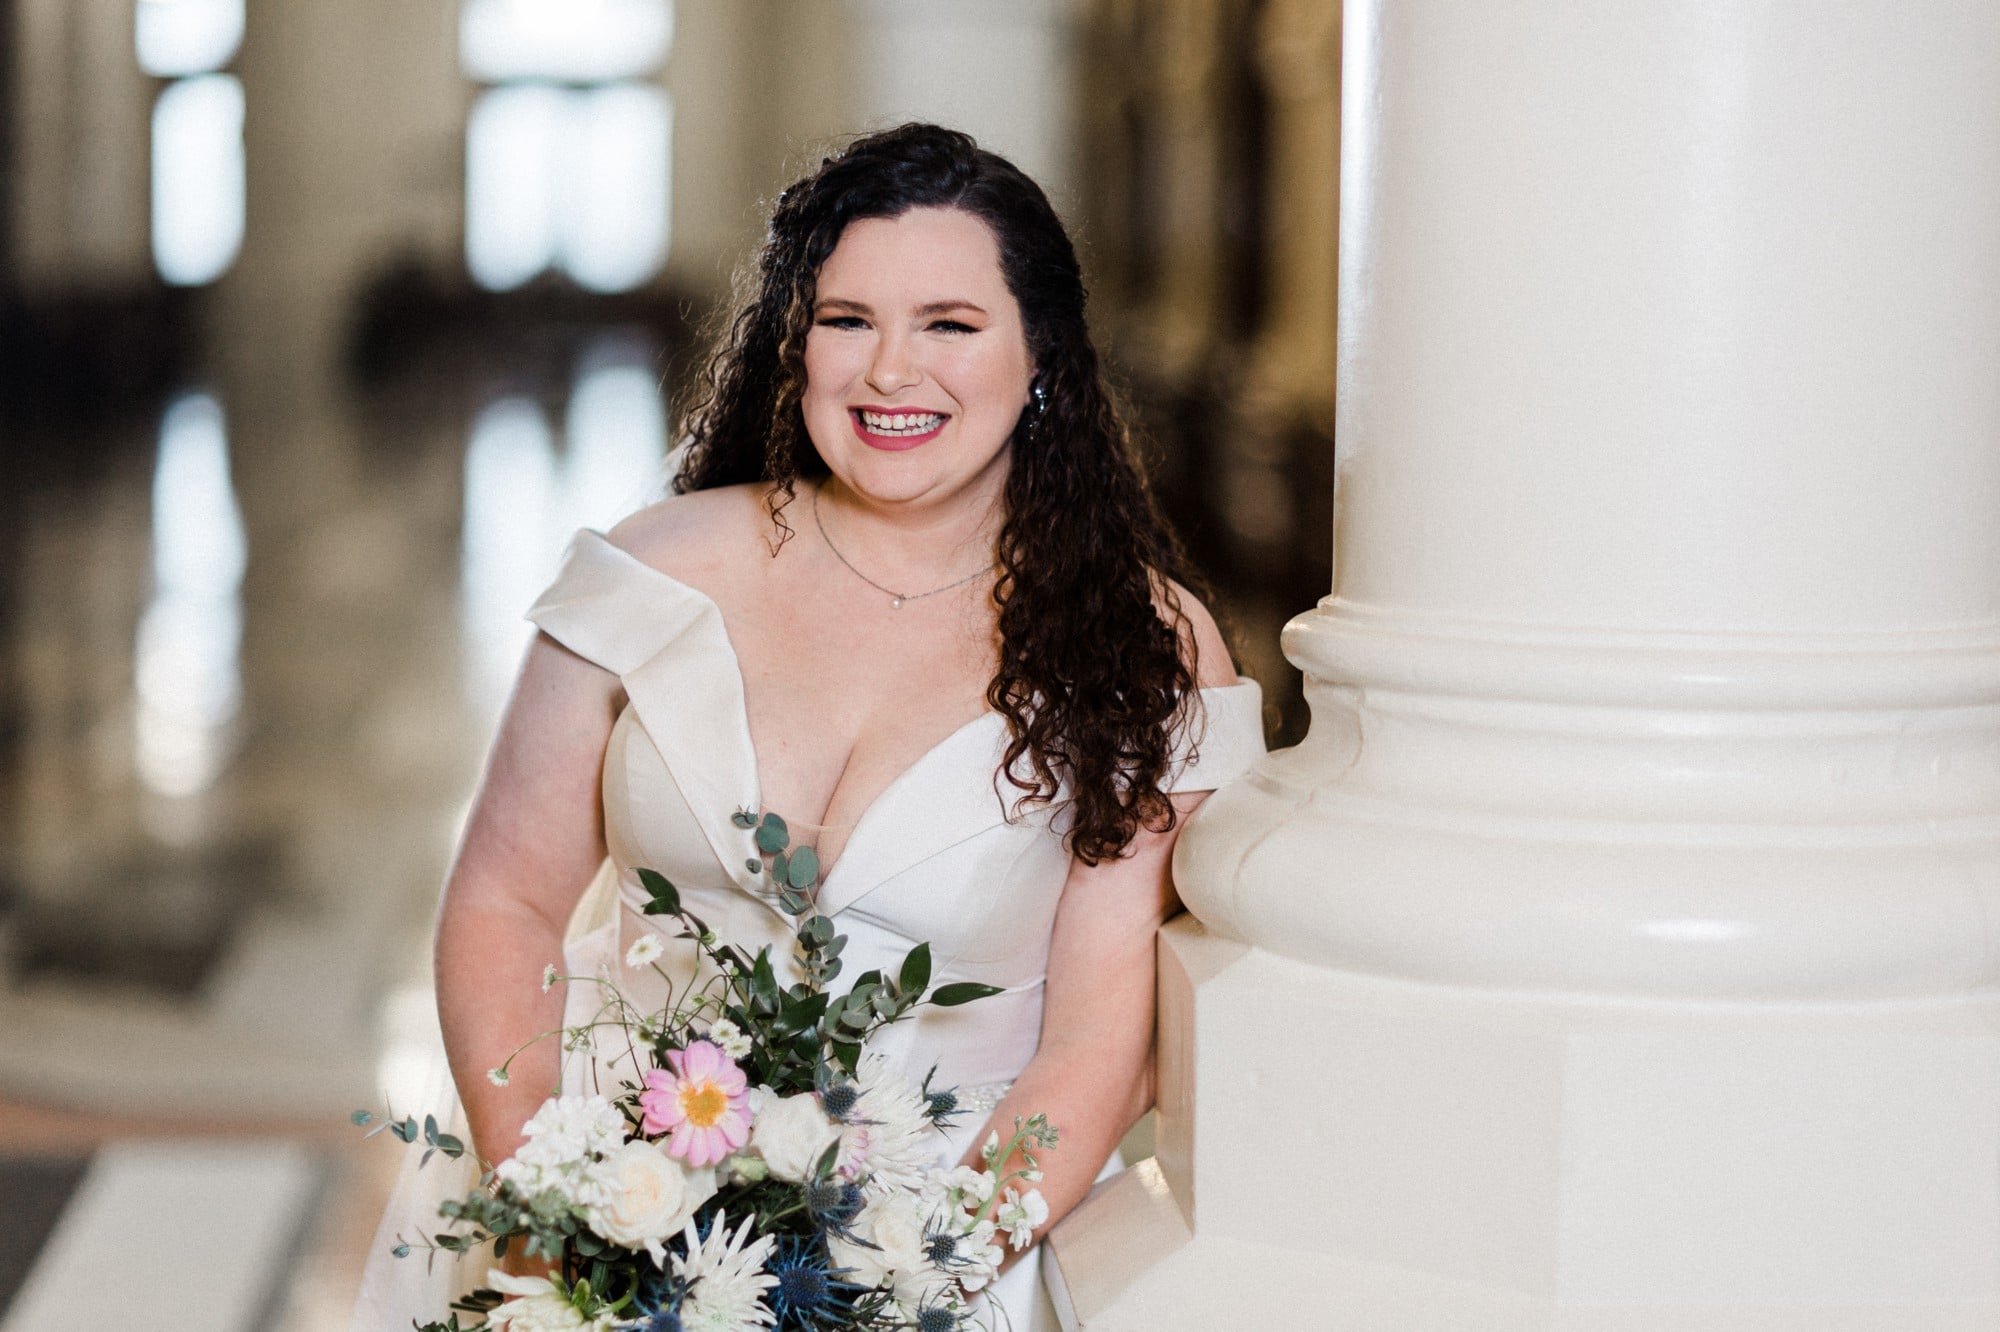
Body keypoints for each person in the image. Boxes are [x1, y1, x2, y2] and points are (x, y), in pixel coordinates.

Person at [352, 122, 1264, 1330]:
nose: (891, 372)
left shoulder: (1139, 645)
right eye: (846, 320)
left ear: (1039, 350)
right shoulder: (647, 575)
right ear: (795, 343)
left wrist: (898, 1291)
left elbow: (1096, 1047)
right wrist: (555, 1213)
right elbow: (504, 899)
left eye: (949, 323)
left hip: (955, 1250)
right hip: (602, 1212)